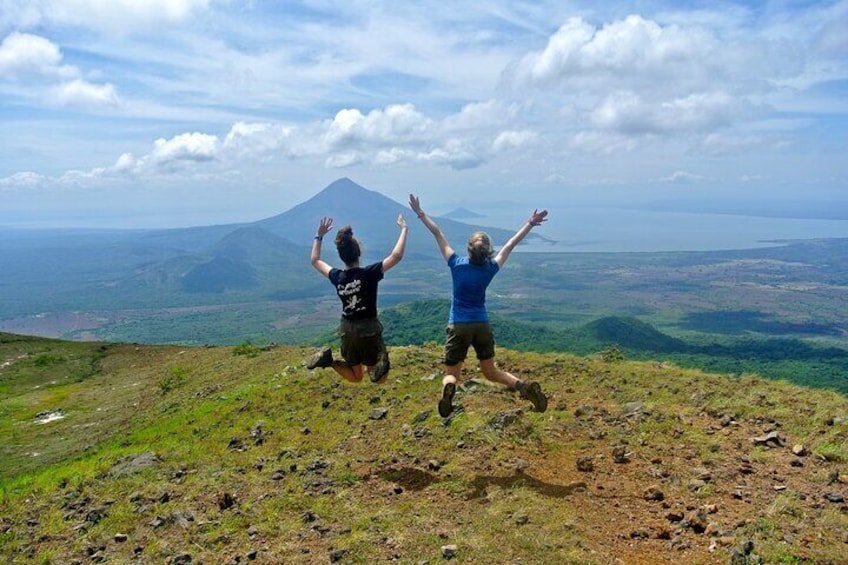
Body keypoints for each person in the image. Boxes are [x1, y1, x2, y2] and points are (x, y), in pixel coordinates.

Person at [408, 194, 548, 417]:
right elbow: (511, 244)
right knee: (490, 371)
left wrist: (420, 213)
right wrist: (530, 223)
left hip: (459, 325)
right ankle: (523, 387)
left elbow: (437, 233)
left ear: (469, 248)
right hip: (482, 324)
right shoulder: (490, 268)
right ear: (488, 250)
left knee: (452, 373)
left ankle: (449, 387)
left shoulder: (456, 263)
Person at [306, 214, 408, 383]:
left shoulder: (338, 277)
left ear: (341, 256)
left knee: (356, 377)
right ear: (359, 253)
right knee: (379, 379)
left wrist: (319, 236)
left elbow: (315, 260)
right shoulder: (368, 274)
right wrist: (404, 229)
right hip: (368, 328)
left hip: (347, 329)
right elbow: (396, 256)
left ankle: (329, 360)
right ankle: (380, 361)